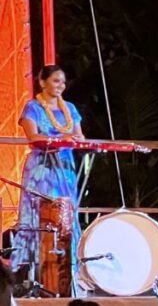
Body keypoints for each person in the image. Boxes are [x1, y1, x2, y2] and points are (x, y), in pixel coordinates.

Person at [11, 66, 84, 281]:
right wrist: (60, 140)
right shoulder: (32, 108)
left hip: (65, 166)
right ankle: (30, 273)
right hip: (42, 169)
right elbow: (33, 136)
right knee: (40, 215)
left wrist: (72, 140)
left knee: (65, 215)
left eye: (63, 82)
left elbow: (79, 135)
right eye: (55, 81)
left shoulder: (69, 108)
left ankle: (67, 273)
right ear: (42, 83)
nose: (61, 85)